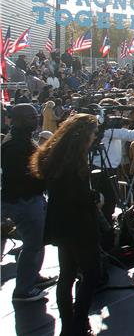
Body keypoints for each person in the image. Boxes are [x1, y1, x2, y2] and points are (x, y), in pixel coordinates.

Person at [30, 114, 102, 336]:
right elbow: (78, 197)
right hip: (79, 225)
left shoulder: (55, 155)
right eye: (93, 132)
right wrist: (96, 197)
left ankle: (68, 325)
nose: (94, 137)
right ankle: (79, 324)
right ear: (83, 135)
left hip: (60, 224)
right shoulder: (74, 162)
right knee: (91, 274)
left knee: (67, 275)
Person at [2, 103, 55, 302]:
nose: (36, 119)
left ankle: (34, 277)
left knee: (37, 242)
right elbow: (19, 177)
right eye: (31, 117)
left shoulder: (22, 139)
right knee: (32, 245)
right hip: (24, 201)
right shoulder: (15, 144)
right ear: (19, 119)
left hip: (30, 199)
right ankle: (23, 290)